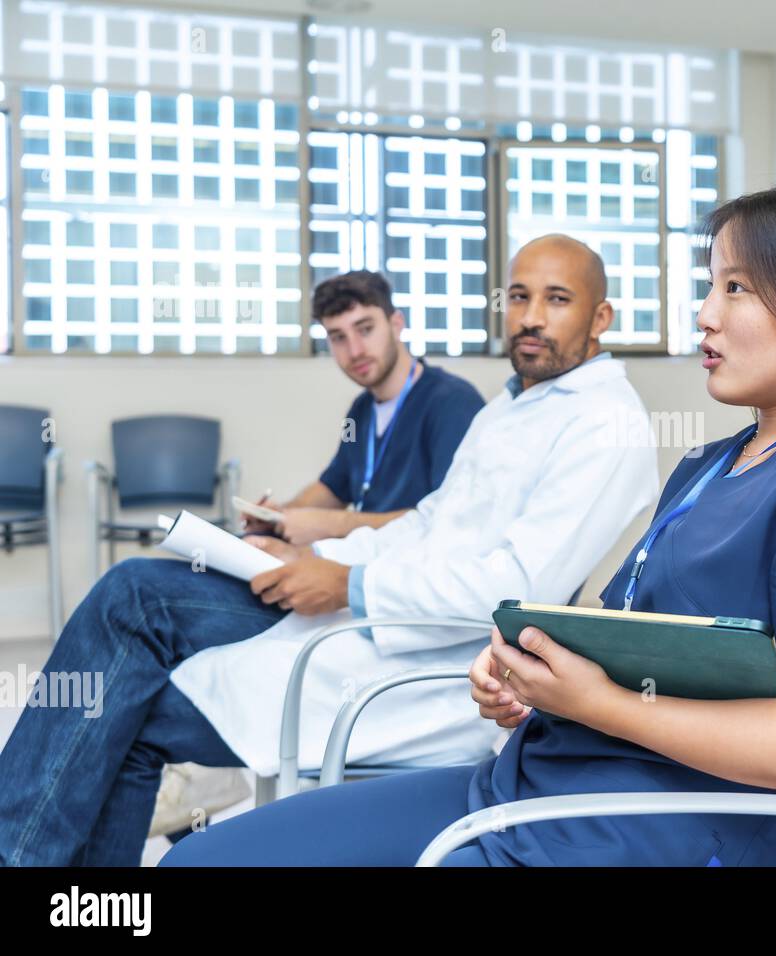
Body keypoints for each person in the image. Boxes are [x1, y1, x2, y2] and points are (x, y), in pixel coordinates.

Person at [161, 180, 776, 868]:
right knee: (201, 859)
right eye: (711, 286)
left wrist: (598, 703)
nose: (703, 315)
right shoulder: (711, 463)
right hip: (543, 777)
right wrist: (533, 679)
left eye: (735, 288)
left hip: (651, 825)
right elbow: (640, 643)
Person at [0, 235, 658, 866]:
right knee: (132, 609)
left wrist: (347, 583)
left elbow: (515, 590)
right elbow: (427, 522)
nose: (531, 317)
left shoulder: (604, 423)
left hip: (433, 657)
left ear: (601, 316)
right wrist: (318, 559)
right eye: (518, 297)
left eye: (557, 299)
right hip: (364, 601)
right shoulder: (508, 408)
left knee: (134, 669)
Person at [240, 270, 484, 546]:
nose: (354, 351)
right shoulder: (360, 410)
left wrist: (335, 525)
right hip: (363, 561)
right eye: (338, 337)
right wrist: (280, 516)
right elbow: (333, 487)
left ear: (396, 324)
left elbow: (450, 518)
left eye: (365, 329)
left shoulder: (453, 404)